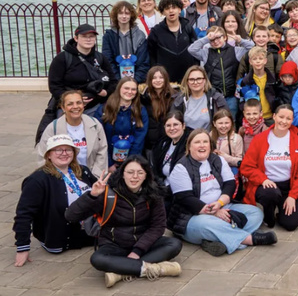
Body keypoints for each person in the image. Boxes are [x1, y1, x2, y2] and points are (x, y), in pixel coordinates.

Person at [65, 155, 183, 287]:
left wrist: (137, 251)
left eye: (140, 173)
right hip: (114, 244)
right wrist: (92, 195)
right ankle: (153, 268)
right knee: (97, 259)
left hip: (143, 244)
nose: (135, 177)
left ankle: (121, 272)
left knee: (174, 244)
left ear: (146, 176)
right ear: (122, 174)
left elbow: (158, 226)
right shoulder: (108, 193)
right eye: (130, 172)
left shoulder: (154, 194)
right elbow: (71, 216)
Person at [167, 128, 274, 256]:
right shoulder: (181, 167)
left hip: (223, 205)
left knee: (255, 213)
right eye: (197, 142)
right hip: (191, 216)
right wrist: (214, 212)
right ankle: (250, 239)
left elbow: (230, 183)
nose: (202, 145)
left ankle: (216, 240)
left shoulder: (217, 160)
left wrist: (220, 203)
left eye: (205, 142)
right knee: (207, 224)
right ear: (189, 146)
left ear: (210, 145)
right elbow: (185, 198)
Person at [14, 134, 97, 266]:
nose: (64, 153)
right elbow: (24, 214)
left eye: (68, 150)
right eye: (58, 150)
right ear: (48, 155)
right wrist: (22, 247)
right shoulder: (37, 180)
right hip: (62, 239)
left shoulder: (82, 171)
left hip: (91, 231)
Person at [38, 23, 115, 143]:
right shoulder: (62, 59)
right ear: (76, 38)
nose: (89, 39)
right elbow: (54, 86)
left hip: (95, 107)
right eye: (85, 36)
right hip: (69, 108)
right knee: (66, 140)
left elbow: (113, 82)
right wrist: (75, 100)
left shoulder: (100, 58)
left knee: (95, 141)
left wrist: (106, 92)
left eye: (92, 36)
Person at [240, 104, 298, 231]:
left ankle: (281, 210)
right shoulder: (260, 139)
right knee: (271, 193)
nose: (284, 121)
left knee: (291, 224)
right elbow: (246, 166)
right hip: (266, 185)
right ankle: (268, 214)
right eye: (281, 117)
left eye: (288, 118)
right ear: (274, 116)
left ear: (292, 121)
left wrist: (293, 196)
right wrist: (263, 179)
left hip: (288, 186)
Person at [37, 89, 109, 177]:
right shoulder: (53, 128)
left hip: (91, 177)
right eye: (70, 104)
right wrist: (55, 178)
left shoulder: (95, 125)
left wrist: (95, 177)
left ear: (83, 105)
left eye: (78, 103)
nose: (75, 107)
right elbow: (43, 155)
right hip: (62, 178)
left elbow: (102, 151)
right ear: (63, 108)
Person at [96, 77, 150, 167]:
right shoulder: (104, 109)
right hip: (107, 161)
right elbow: (99, 138)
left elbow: (139, 139)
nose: (130, 92)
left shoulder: (141, 110)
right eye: (126, 88)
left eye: (133, 89)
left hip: (131, 161)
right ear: (119, 88)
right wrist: (109, 164)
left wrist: (130, 162)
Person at [147, 0, 199, 83]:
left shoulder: (188, 28)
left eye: (174, 8)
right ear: (163, 12)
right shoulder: (156, 31)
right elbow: (151, 55)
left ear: (179, 10)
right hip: (165, 78)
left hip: (187, 77)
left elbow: (196, 50)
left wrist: (195, 70)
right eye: (167, 9)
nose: (171, 11)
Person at [102, 0, 150, 83]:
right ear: (116, 15)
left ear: (131, 15)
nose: (124, 16)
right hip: (116, 81)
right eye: (120, 13)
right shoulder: (108, 36)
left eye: (127, 13)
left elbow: (144, 62)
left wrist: (135, 80)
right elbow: (108, 61)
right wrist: (118, 80)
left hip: (137, 80)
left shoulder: (140, 35)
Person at [172, 66, 227, 132]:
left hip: (210, 139)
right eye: (192, 79)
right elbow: (172, 123)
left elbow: (227, 121)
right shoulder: (180, 100)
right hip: (187, 140)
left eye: (199, 79)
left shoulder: (216, 98)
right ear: (187, 82)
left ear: (204, 80)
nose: (195, 82)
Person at [151, 111, 189, 184]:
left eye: (175, 125)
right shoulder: (163, 144)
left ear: (183, 126)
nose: (172, 128)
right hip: (164, 187)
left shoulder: (189, 146)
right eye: (168, 125)